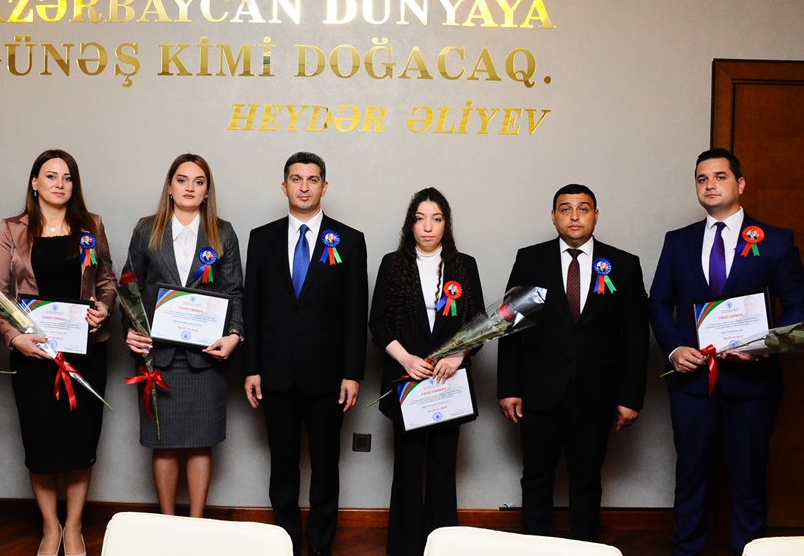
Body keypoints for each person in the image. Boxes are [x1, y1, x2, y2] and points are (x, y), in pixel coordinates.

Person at [649, 148, 804, 556]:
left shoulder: (775, 240)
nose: (710, 185)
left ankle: (749, 551)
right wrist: (674, 349)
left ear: (740, 184)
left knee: (749, 479)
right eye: (702, 178)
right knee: (690, 478)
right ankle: (686, 551)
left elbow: (800, 308)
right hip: (692, 384)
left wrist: (764, 345)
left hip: (753, 385)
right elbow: (658, 302)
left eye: (720, 177)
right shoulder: (678, 241)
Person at [497, 184, 649, 542]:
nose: (574, 216)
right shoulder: (530, 259)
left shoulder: (624, 265)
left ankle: (585, 546)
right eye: (565, 209)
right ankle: (536, 545)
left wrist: (630, 397)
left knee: (587, 479)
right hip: (539, 391)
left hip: (596, 393)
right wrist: (509, 387)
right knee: (536, 476)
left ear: (596, 215)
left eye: (583, 208)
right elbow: (511, 325)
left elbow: (637, 337)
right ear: (553, 217)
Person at [0, 149, 115, 556]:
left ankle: (73, 527)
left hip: (86, 353)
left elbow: (107, 280)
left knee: (80, 443)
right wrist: (14, 338)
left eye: (67, 177)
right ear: (34, 182)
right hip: (33, 355)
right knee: (40, 444)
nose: (60, 184)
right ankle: (49, 527)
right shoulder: (12, 229)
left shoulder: (91, 225)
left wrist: (103, 309)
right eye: (51, 176)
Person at [242, 151, 368, 556]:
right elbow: (252, 308)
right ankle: (285, 542)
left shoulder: (349, 240)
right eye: (296, 179)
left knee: (326, 466)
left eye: (312, 180)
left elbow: (356, 312)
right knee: (282, 466)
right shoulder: (261, 238)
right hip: (275, 373)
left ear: (324, 187)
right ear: (284, 187)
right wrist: (251, 368)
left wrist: (352, 373)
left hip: (328, 377)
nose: (304, 187)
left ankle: (319, 546)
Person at [122, 153, 244, 517]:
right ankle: (168, 524)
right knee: (164, 445)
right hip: (158, 356)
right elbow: (128, 286)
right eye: (182, 180)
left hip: (205, 357)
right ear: (170, 187)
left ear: (207, 191)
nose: (190, 187)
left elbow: (234, 291)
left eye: (199, 181)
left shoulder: (223, 232)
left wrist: (235, 334)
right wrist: (131, 330)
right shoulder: (147, 230)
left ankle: (195, 524)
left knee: (200, 444)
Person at [369, 187, 483, 556]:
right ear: (410, 224)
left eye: (436, 219)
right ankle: (404, 548)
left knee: (442, 470)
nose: (428, 227)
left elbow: (479, 324)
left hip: (449, 385)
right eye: (420, 219)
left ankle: (442, 548)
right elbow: (377, 323)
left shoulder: (465, 265)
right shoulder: (393, 263)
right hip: (409, 382)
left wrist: (458, 356)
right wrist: (405, 359)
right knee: (407, 468)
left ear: (446, 224)